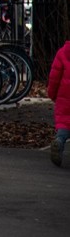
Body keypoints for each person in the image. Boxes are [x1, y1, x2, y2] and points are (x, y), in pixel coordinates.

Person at [47, 39, 70, 167]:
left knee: (64, 126)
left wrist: (52, 93)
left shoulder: (62, 53)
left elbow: (54, 77)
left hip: (65, 97)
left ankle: (59, 141)